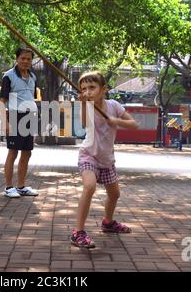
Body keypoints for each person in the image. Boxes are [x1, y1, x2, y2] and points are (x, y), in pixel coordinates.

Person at [71, 71, 139, 249]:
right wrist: (83, 104)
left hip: (107, 158)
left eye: (92, 88)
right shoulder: (86, 106)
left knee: (115, 194)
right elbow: (85, 124)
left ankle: (108, 223)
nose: (87, 92)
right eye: (84, 89)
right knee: (90, 186)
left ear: (103, 89)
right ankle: (78, 232)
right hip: (88, 154)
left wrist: (116, 121)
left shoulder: (114, 106)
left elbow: (133, 124)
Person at [0, 47, 39, 198]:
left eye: (29, 59)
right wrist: (6, 122)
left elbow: (30, 97)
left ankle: (21, 186)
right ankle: (9, 187)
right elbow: (2, 101)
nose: (26, 61)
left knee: (27, 153)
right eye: (23, 58)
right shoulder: (8, 76)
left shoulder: (33, 76)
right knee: (13, 152)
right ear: (17, 59)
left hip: (30, 117)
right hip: (15, 117)